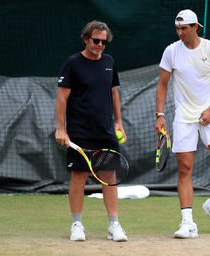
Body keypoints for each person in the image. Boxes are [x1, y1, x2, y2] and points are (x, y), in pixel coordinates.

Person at [155, 9, 210, 238]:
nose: (180, 33)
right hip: (184, 118)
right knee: (185, 169)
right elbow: (162, 84)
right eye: (177, 29)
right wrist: (160, 114)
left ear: (195, 27)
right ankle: (188, 223)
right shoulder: (171, 51)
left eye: (184, 28)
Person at [55, 20, 127, 242]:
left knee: (109, 177)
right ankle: (76, 224)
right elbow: (62, 97)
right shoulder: (73, 63)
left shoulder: (109, 62)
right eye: (96, 40)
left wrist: (119, 123)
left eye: (104, 42)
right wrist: (61, 129)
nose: (100, 45)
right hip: (79, 131)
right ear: (86, 39)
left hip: (105, 131)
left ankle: (114, 225)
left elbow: (113, 92)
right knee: (78, 176)